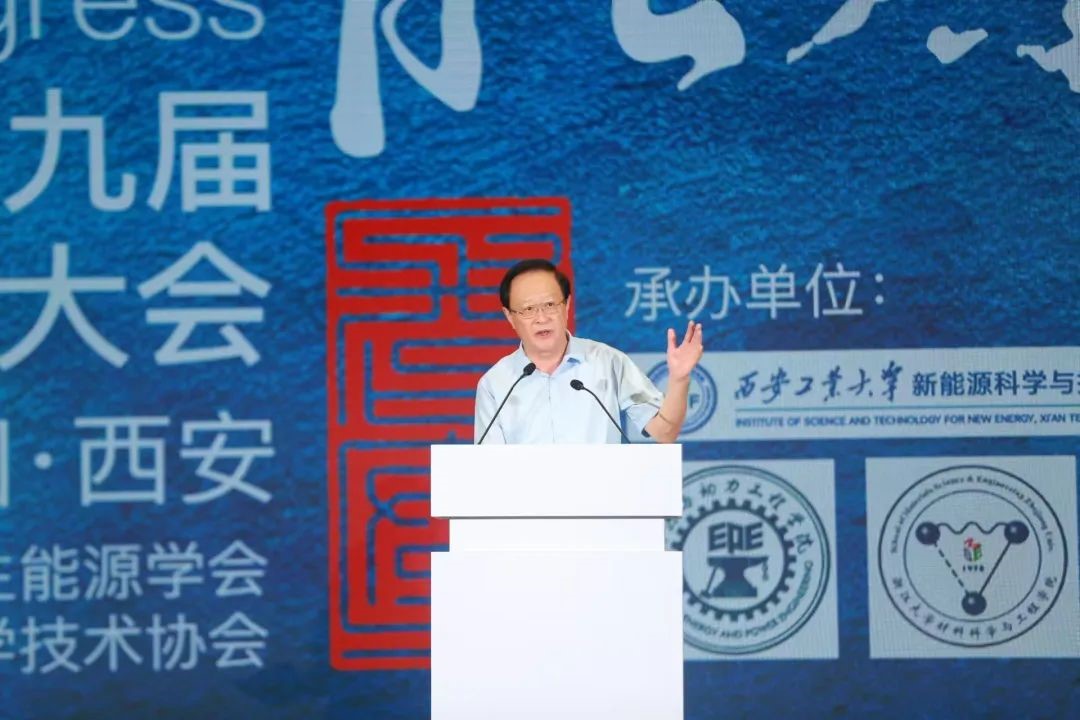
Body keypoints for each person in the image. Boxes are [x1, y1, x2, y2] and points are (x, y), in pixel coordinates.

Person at [474, 258, 704, 444]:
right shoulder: (495, 384)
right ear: (509, 316)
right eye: (528, 309)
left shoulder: (608, 362)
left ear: (567, 305)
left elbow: (665, 432)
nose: (541, 318)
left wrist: (680, 379)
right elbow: (488, 468)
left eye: (550, 305)